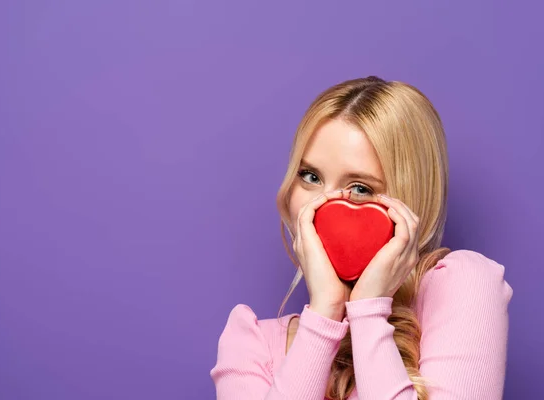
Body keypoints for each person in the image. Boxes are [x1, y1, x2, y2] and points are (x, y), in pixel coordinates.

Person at [209, 76, 513, 400]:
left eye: (360, 188)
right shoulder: (250, 343)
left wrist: (368, 308)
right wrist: (326, 312)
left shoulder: (464, 286)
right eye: (310, 176)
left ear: (407, 199)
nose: (322, 207)